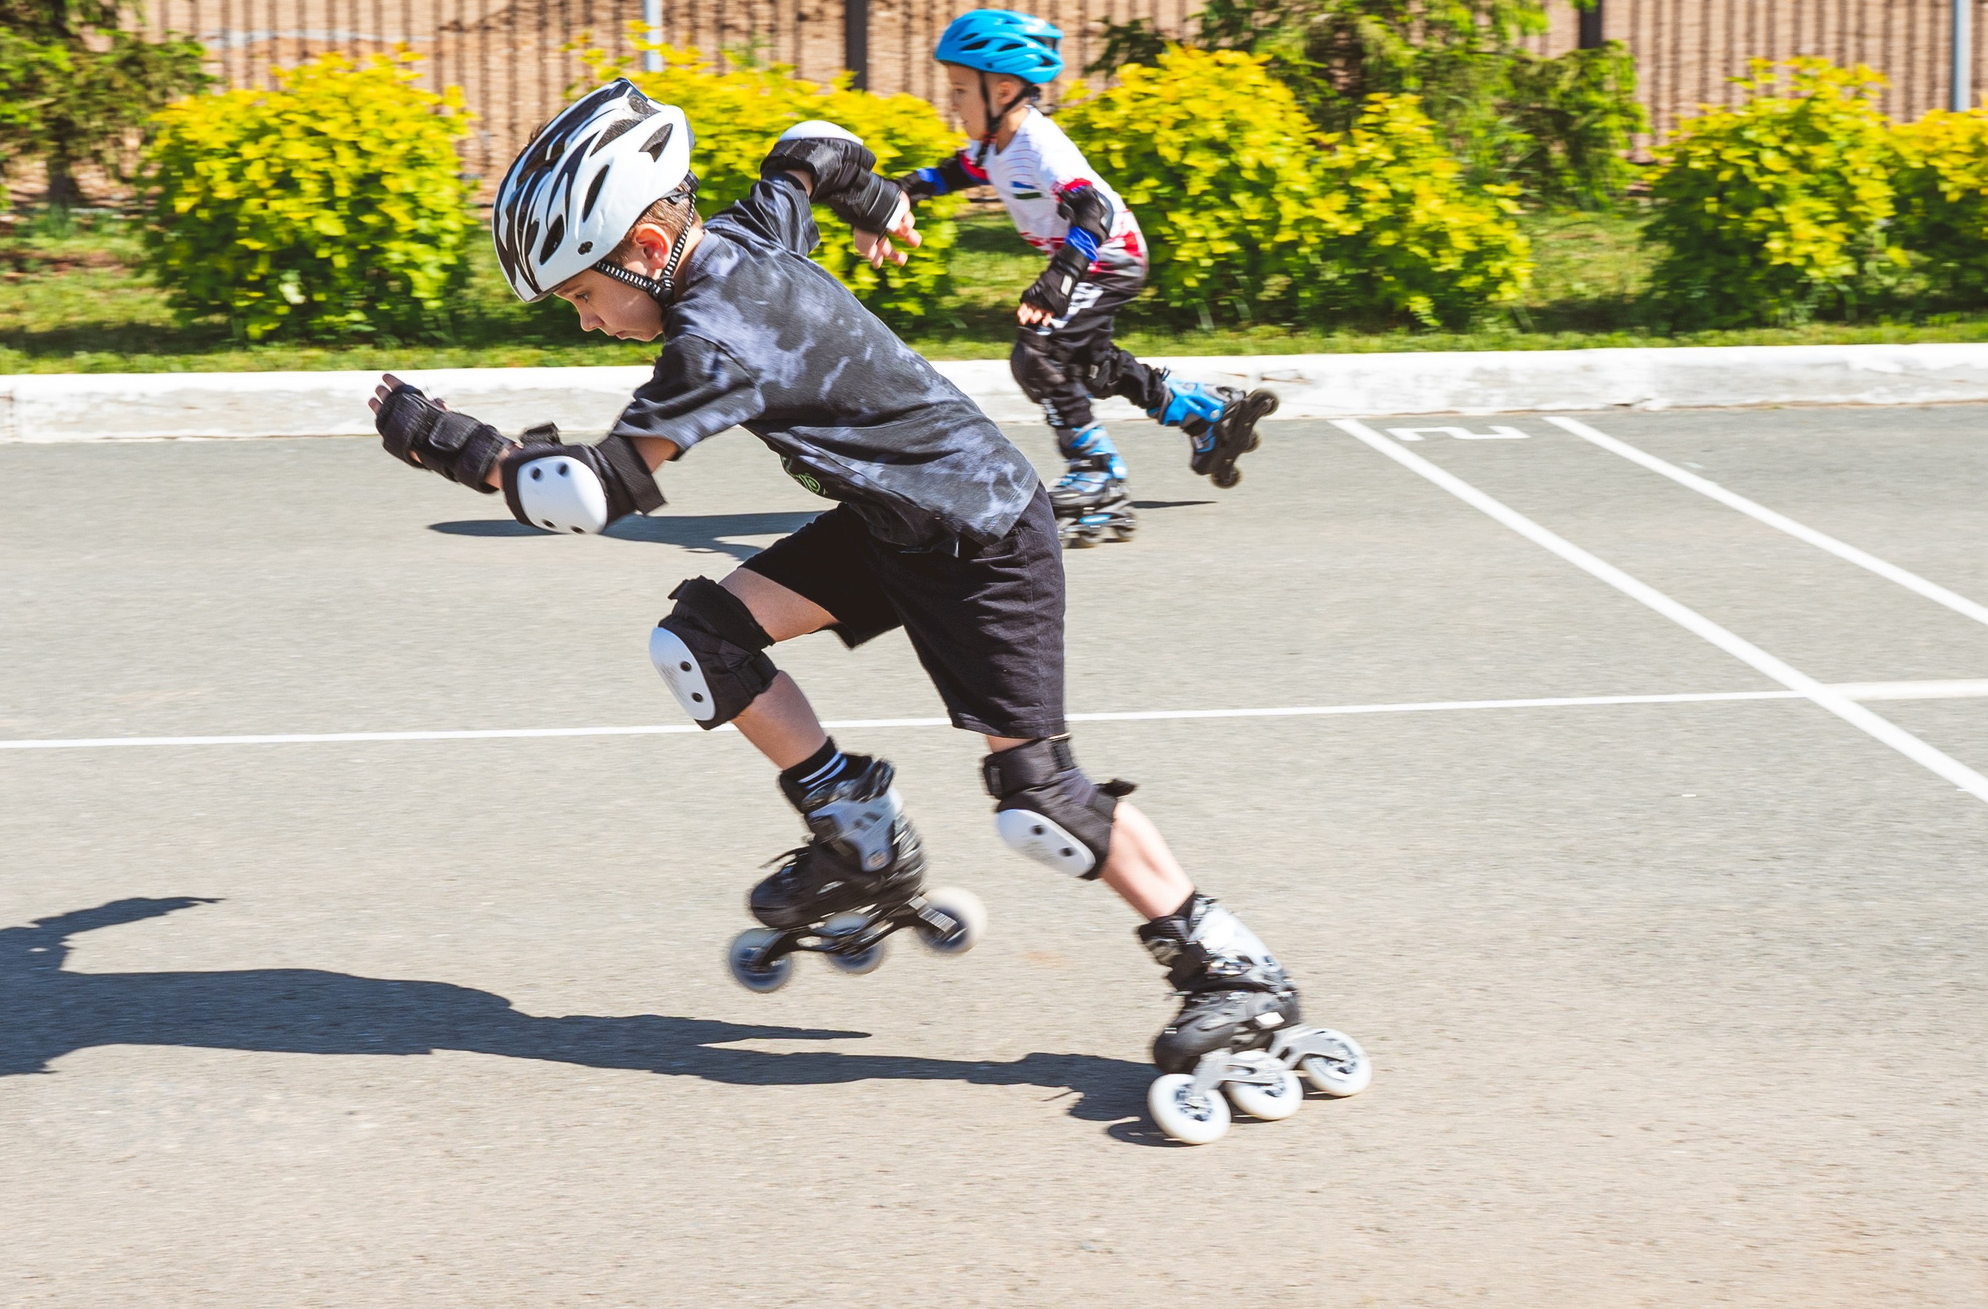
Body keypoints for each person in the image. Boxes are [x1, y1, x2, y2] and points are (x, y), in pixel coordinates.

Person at [366, 77, 1366, 1139]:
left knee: (1037, 799)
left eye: (581, 295)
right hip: (893, 524)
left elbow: (586, 494)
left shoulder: (719, 337)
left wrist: (451, 445)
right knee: (701, 640)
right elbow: (811, 149)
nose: (587, 319)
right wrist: (876, 197)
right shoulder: (741, 237)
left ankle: (1232, 968)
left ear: (647, 254)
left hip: (980, 536)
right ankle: (859, 837)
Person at [897, 9, 1276, 542]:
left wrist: (1058, 280)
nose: (952, 102)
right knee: (1091, 364)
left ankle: (1098, 477)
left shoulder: (1038, 144)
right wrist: (905, 187)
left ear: (1002, 90)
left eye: (960, 90)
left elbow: (1092, 210)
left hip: (1107, 255)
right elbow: (960, 170)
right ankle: (1205, 412)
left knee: (1038, 354)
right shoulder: (994, 144)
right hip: (1091, 258)